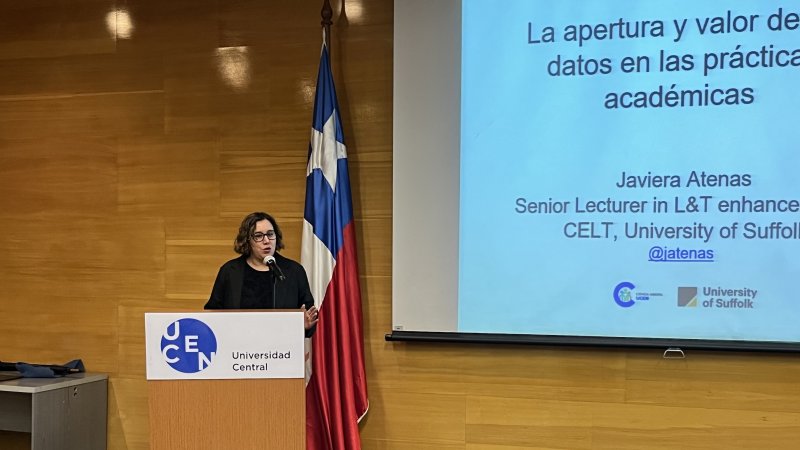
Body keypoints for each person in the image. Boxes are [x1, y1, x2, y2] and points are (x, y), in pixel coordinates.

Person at [205, 211, 318, 336]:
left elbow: (309, 317)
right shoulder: (230, 271)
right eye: (258, 236)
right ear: (247, 240)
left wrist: (305, 326)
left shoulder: (294, 271)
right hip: (238, 348)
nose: (266, 240)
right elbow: (212, 314)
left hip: (281, 350)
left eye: (270, 234)